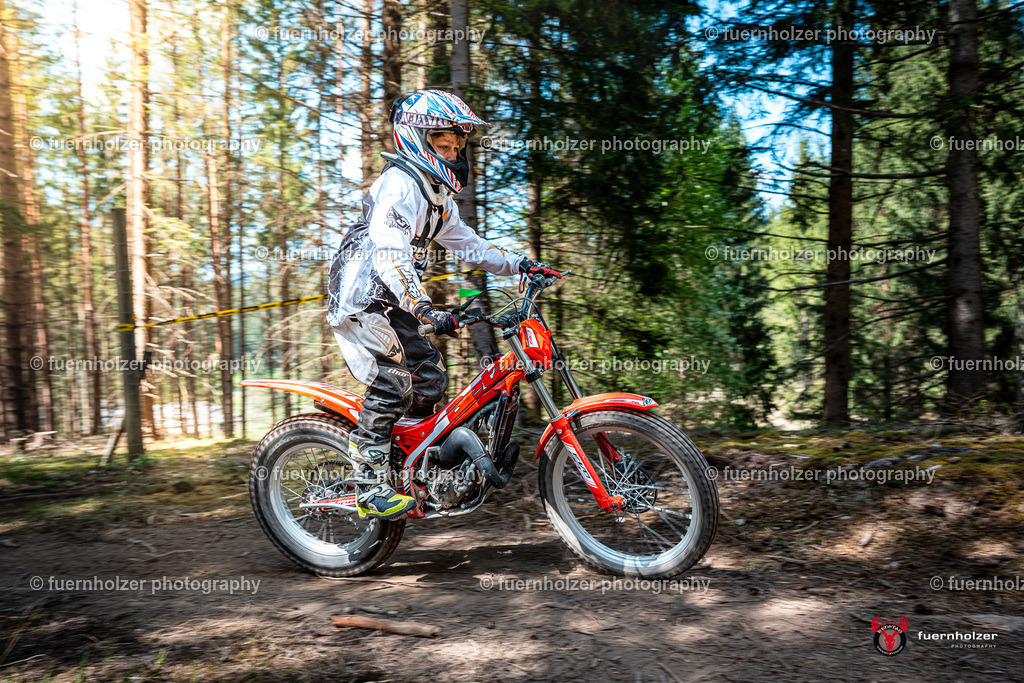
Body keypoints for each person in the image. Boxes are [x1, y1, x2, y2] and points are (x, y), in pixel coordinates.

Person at [326, 90, 559, 520]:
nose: (453, 153)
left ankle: (414, 462)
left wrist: (521, 265)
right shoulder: (399, 185)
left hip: (392, 299)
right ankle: (370, 483)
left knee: (429, 377)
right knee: (395, 377)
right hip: (364, 296)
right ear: (416, 138)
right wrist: (422, 305)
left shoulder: (436, 198)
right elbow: (390, 252)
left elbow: (469, 244)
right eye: (443, 144)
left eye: (457, 146)